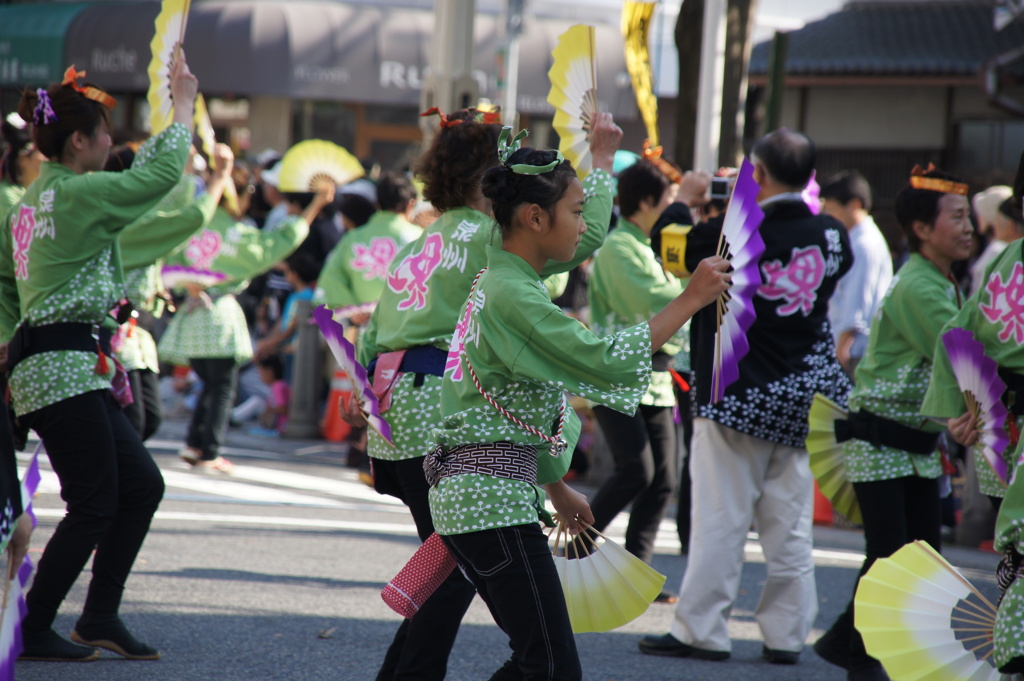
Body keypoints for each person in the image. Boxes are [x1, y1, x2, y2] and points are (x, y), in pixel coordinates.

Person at [422, 130, 730, 681]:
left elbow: (503, 408)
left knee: (541, 662)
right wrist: (691, 298)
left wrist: (557, 486)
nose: (587, 224)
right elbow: (603, 360)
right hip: (490, 502)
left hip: (484, 494)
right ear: (535, 220)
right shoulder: (513, 293)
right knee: (548, 666)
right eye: (575, 210)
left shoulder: (507, 274)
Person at [352, 107, 621, 681]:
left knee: (445, 567)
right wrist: (600, 165)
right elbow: (581, 238)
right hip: (442, 415)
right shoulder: (489, 239)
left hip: (393, 409)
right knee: (451, 575)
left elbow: (372, 332)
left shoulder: (421, 241)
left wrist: (363, 387)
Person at [0, 56, 198, 662]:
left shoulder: (32, 201)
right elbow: (161, 175)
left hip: (59, 361)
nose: (112, 143)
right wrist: (183, 101)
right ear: (80, 140)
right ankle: (30, 628)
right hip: (60, 364)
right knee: (94, 503)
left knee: (141, 484)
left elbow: (8, 287)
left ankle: (100, 615)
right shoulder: (77, 194)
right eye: (106, 133)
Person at [639, 129, 853, 665]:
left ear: (756, 172)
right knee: (789, 526)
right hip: (802, 398)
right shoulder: (831, 234)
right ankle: (786, 635)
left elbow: (668, 247)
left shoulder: (727, 234)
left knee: (721, 518)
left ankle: (703, 630)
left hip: (735, 395)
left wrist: (688, 200)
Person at [812, 166, 973, 681]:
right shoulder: (920, 288)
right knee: (889, 556)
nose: (969, 227)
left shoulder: (940, 280)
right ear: (923, 229)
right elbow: (963, 360)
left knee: (919, 556)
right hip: (880, 437)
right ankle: (859, 654)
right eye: (957, 217)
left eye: (969, 216)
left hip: (916, 443)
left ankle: (852, 644)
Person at [158, 148, 333, 473]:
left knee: (208, 382)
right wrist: (316, 204)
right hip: (219, 314)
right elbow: (278, 243)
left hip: (191, 314)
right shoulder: (235, 233)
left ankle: (195, 444)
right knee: (221, 386)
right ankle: (208, 450)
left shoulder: (194, 222)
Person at [585, 158, 683, 602]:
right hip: (618, 376)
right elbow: (651, 300)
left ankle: (636, 573)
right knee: (635, 471)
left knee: (662, 477)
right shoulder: (617, 247)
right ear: (646, 201)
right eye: (667, 199)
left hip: (655, 379)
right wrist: (698, 288)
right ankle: (574, 550)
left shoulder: (644, 244)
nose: (672, 208)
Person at [107, 142, 230, 441]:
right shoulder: (124, 216)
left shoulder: (135, 212)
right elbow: (188, 214)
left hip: (135, 329)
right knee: (133, 422)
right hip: (112, 328)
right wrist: (218, 175)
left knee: (149, 419)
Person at [319, 171, 421, 324]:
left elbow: (330, 278)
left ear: (377, 204)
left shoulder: (353, 238)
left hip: (364, 323)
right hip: (406, 325)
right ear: (410, 204)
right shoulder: (421, 237)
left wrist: (351, 308)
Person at [820, 170, 893, 377]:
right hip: (849, 345)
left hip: (853, 349)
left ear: (854, 205)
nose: (827, 216)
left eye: (831, 209)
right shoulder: (858, 239)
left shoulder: (864, 244)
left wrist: (842, 346)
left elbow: (858, 302)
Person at [254, 251, 320, 380]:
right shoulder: (294, 295)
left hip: (298, 353)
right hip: (285, 351)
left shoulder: (308, 297)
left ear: (294, 275)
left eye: (288, 271)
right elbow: (282, 323)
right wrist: (268, 342)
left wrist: (268, 344)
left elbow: (292, 327)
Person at [0, 113, 46, 215]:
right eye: (38, 151)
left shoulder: (44, 189)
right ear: (23, 159)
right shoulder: (8, 194)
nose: (45, 158)